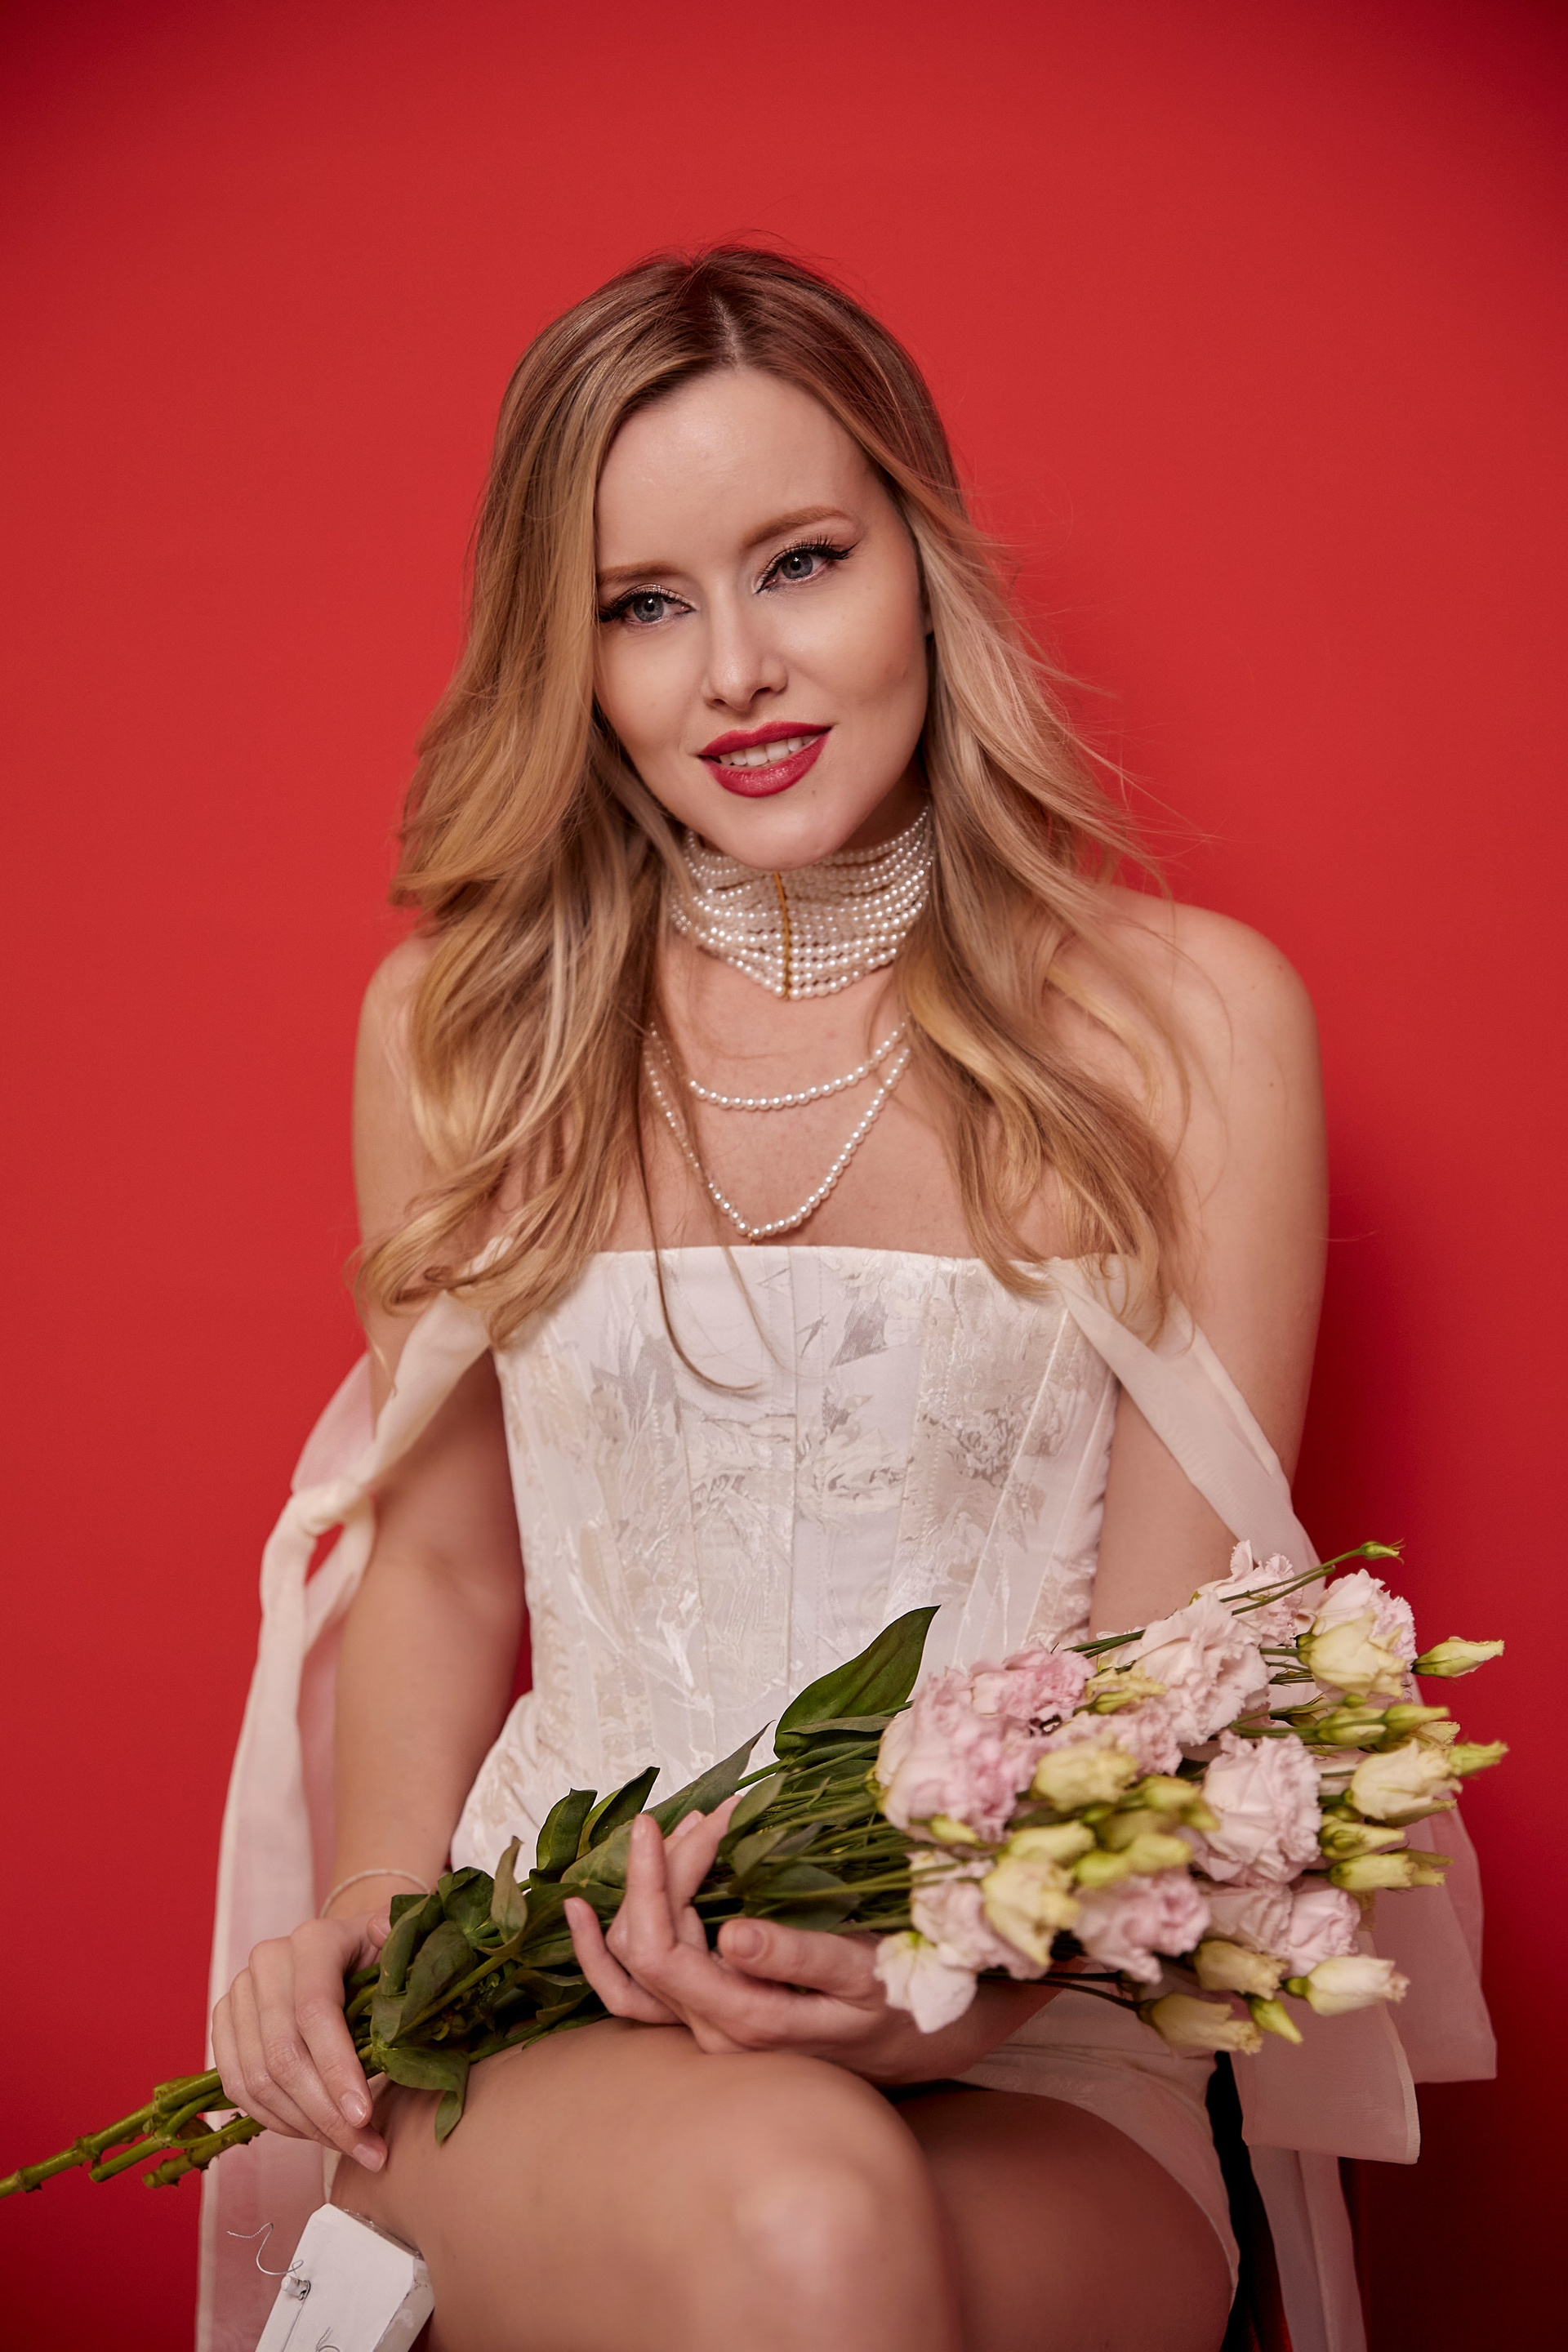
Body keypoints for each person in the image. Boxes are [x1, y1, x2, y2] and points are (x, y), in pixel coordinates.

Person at [203, 247, 1459, 2352]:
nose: (738, 672)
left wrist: (956, 1982)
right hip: (545, 1980)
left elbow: (1172, 1660)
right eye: (643, 603)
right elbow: (439, 1559)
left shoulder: (1191, 1032)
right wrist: (370, 1911)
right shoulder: (462, 1032)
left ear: (922, 565)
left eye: (801, 561)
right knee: (800, 2210)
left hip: (1044, 2024)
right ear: (569, 655)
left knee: (822, 2216)